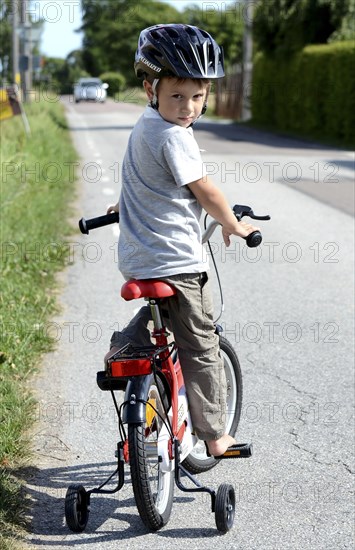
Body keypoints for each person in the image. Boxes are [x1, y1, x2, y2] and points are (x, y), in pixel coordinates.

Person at [107, 24, 259, 457]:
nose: (188, 107)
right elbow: (204, 189)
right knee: (202, 344)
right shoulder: (176, 137)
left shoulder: (146, 126)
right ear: (150, 88)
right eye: (177, 96)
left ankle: (127, 344)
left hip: (140, 258)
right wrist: (232, 223)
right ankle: (215, 436)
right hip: (177, 259)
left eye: (198, 96)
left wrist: (125, 205)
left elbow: (140, 176)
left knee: (165, 316)